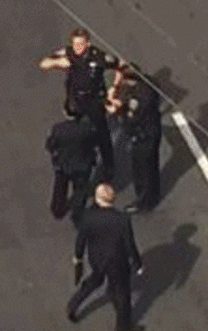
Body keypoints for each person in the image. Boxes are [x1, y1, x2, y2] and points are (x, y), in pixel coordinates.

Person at [38, 28, 123, 181]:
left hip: (94, 101)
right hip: (75, 100)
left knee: (102, 133)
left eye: (81, 44)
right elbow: (45, 63)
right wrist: (56, 62)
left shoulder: (99, 57)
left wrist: (114, 88)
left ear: (88, 44)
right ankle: (80, 157)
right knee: (77, 130)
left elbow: (121, 66)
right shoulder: (69, 53)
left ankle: (109, 166)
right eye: (75, 44)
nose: (77, 48)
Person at [67, 184, 144, 331]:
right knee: (122, 293)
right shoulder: (122, 220)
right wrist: (137, 264)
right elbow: (129, 245)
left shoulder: (88, 217)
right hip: (117, 261)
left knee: (93, 281)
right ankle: (123, 326)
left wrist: (78, 258)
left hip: (96, 258)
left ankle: (73, 304)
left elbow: (81, 241)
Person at [111, 63, 162, 213]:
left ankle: (144, 201)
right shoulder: (148, 85)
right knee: (151, 167)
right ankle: (152, 194)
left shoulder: (139, 97)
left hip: (143, 137)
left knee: (142, 169)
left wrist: (119, 111)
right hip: (152, 131)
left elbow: (132, 119)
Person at [46, 99, 99, 226]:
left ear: (65, 112)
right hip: (82, 164)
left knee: (60, 187)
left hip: (63, 163)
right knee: (80, 190)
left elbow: (50, 145)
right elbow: (94, 143)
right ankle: (78, 215)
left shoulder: (58, 129)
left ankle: (58, 209)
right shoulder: (87, 129)